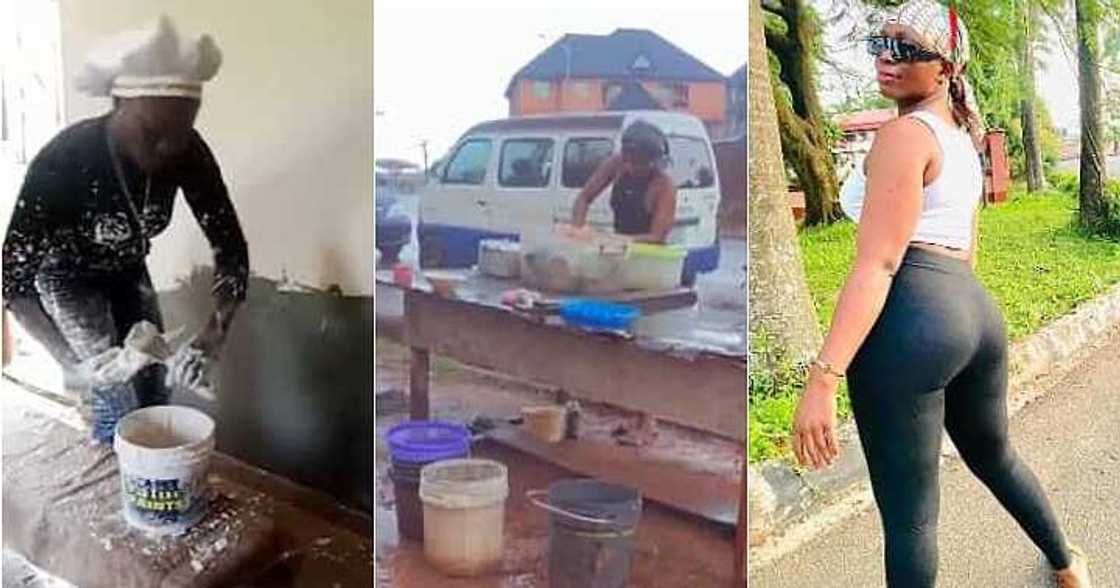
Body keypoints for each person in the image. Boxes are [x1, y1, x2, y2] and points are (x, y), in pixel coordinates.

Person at [789, 2, 1091, 586]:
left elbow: (878, 263)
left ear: (946, 68)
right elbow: (966, 250)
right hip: (972, 313)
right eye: (883, 43)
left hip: (912, 321)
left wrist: (823, 378)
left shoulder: (904, 135)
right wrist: (950, 320)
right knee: (994, 455)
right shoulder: (959, 138)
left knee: (910, 522)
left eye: (907, 49)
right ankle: (1067, 562)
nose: (887, 57)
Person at [2, 16, 249, 408]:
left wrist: (211, 339)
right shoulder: (63, 162)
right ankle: (115, 454)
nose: (169, 148)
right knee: (112, 393)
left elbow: (232, 252)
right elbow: (12, 281)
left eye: (181, 133)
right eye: (153, 134)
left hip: (128, 267)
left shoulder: (189, 153)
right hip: (68, 277)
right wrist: (68, 363)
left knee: (155, 385)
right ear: (118, 106)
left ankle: (149, 465)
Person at [570, 120, 677, 244]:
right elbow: (584, 198)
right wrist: (577, 230)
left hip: (648, 253)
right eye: (629, 161)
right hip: (618, 247)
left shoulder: (665, 186)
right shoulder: (616, 163)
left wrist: (612, 239)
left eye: (641, 163)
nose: (631, 167)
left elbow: (656, 237)